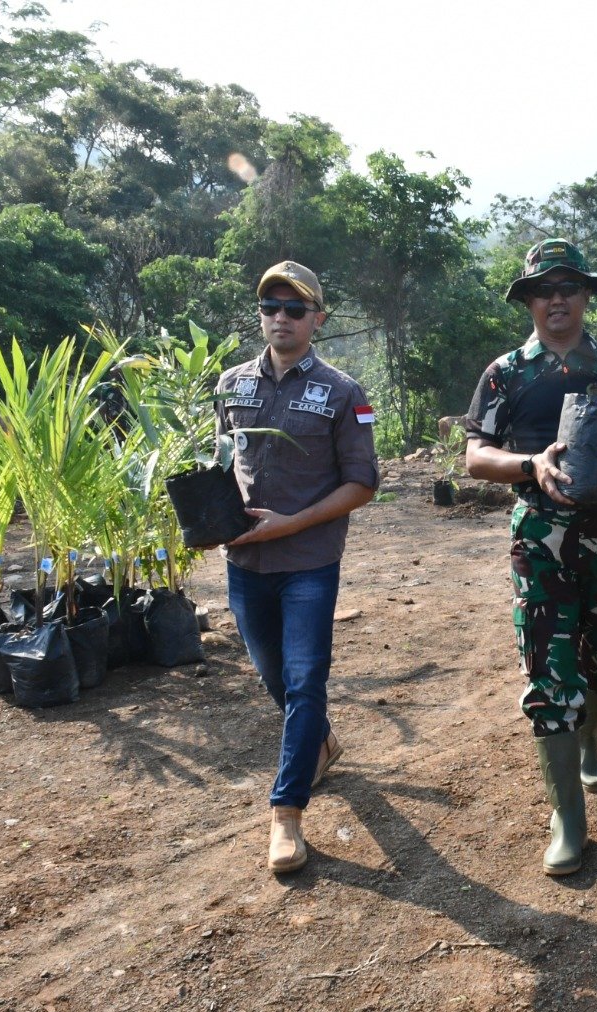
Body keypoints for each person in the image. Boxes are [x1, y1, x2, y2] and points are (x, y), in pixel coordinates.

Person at [464, 238, 597, 877]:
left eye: (568, 287)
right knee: (550, 675)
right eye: (544, 289)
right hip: (541, 544)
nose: (557, 298)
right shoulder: (505, 374)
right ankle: (568, 818)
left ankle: (591, 744)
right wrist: (530, 464)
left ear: (584, 296)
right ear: (528, 299)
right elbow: (476, 455)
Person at [216, 261, 380, 874]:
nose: (280, 318)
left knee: (305, 679)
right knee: (274, 676)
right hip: (245, 561)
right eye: (270, 307)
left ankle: (287, 814)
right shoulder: (232, 383)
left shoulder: (343, 393)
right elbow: (221, 465)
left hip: (309, 561)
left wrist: (292, 523)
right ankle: (321, 741)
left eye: (294, 308)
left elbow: (363, 482)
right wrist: (209, 521)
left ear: (318, 319)